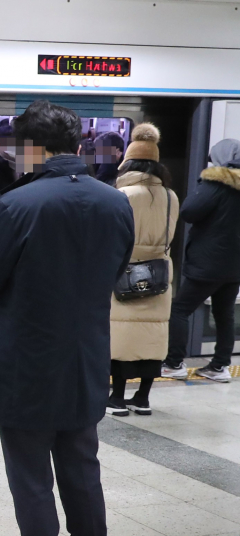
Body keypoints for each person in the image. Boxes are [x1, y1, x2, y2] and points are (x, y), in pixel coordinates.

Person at [0, 99, 134, 536]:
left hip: (25, 361)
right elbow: (115, 268)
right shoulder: (114, 202)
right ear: (78, 144)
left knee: (31, 472)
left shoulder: (17, 205)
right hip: (84, 356)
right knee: (82, 464)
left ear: (32, 148)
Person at [107, 124, 179, 417]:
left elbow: (113, 236)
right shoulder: (170, 196)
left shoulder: (122, 195)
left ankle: (118, 398)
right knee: (153, 335)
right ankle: (143, 397)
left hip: (125, 270)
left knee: (122, 335)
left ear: (128, 163)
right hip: (160, 271)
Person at [162, 138, 240, 383]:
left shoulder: (216, 183)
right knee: (224, 312)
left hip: (209, 261)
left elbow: (189, 211)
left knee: (180, 309)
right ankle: (220, 366)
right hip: (235, 264)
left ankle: (174, 362)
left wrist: (202, 184)